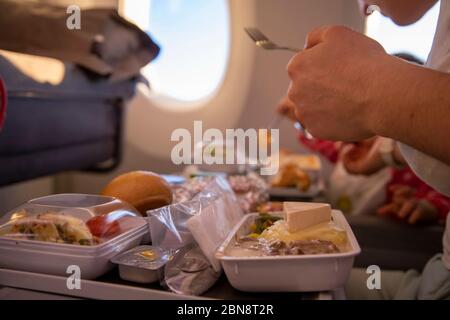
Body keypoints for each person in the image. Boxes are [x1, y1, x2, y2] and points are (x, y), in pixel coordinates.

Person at [285, 0, 450, 299]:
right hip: (438, 271)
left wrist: (370, 88)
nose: (363, 8)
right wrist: (384, 154)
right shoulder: (377, 152)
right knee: (285, 282)